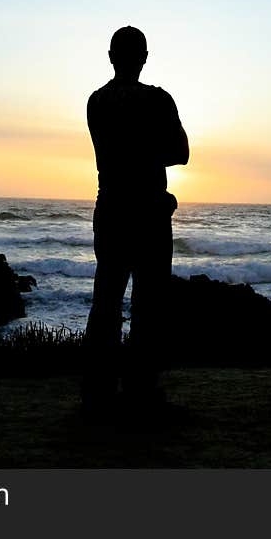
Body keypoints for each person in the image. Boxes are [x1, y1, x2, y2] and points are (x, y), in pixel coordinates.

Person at [83, 26, 189, 411]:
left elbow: (111, 150)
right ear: (144, 58)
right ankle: (141, 390)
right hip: (148, 212)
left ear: (111, 56)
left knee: (106, 300)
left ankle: (98, 390)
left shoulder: (97, 102)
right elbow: (181, 152)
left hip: (111, 209)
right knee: (148, 303)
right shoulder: (158, 101)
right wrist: (149, 151)